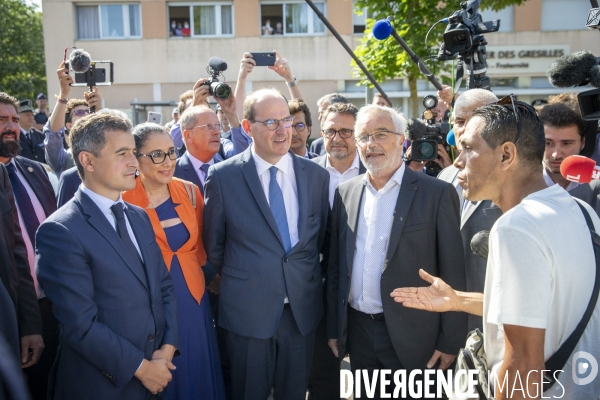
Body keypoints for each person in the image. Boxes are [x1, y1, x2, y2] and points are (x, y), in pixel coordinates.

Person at [391, 99, 600, 398]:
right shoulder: (581, 211)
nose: (458, 160)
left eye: (468, 148)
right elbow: (546, 308)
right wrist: (458, 299)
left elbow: (523, 364)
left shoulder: (516, 227)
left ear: (506, 155)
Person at [327, 104, 467, 398]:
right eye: (363, 137)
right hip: (359, 334)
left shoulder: (436, 194)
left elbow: (454, 269)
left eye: (380, 134)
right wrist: (334, 328)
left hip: (418, 339)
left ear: (402, 139)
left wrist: (450, 340)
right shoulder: (346, 192)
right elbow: (337, 266)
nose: (371, 144)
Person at [36, 113, 179, 399]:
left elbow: (163, 287)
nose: (134, 162)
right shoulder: (60, 230)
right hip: (100, 385)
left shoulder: (138, 217)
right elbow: (80, 325)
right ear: (88, 161)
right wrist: (143, 368)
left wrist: (165, 350)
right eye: (122, 153)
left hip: (154, 374)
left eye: (133, 153)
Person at [203, 88, 330, 400]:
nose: (282, 130)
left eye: (286, 120)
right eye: (271, 122)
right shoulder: (223, 177)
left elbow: (320, 238)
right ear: (247, 128)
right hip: (248, 313)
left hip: (301, 314)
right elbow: (213, 246)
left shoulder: (316, 175)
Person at [123, 123, 225, 400]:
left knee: (195, 367)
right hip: (148, 302)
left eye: (171, 152)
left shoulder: (191, 192)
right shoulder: (121, 198)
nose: (168, 162)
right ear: (136, 157)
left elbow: (202, 248)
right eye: (156, 155)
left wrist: (214, 279)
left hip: (193, 296)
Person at [1, 93, 57, 399]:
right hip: (16, 313)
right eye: (1, 120)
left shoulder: (35, 171)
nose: (11, 126)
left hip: (57, 303)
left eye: (13, 119)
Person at [308, 101, 365, 400]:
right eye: (331, 131)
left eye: (346, 131)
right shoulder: (305, 173)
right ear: (322, 132)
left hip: (365, 296)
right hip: (316, 296)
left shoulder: (378, 171)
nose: (337, 138)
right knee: (323, 380)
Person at [436, 88, 500, 332]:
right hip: (444, 318)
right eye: (460, 121)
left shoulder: (509, 177)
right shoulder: (446, 175)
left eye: (476, 119)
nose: (465, 129)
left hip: (492, 321)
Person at [44, 61, 102, 178]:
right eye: (79, 113)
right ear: (69, 125)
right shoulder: (64, 159)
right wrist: (63, 95)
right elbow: (53, 135)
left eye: (88, 111)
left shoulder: (104, 152)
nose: (85, 115)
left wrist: (99, 112)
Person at [539, 102, 587, 191]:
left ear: (582, 143)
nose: (556, 155)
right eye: (548, 143)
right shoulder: (521, 186)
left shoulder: (595, 183)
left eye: (566, 143)